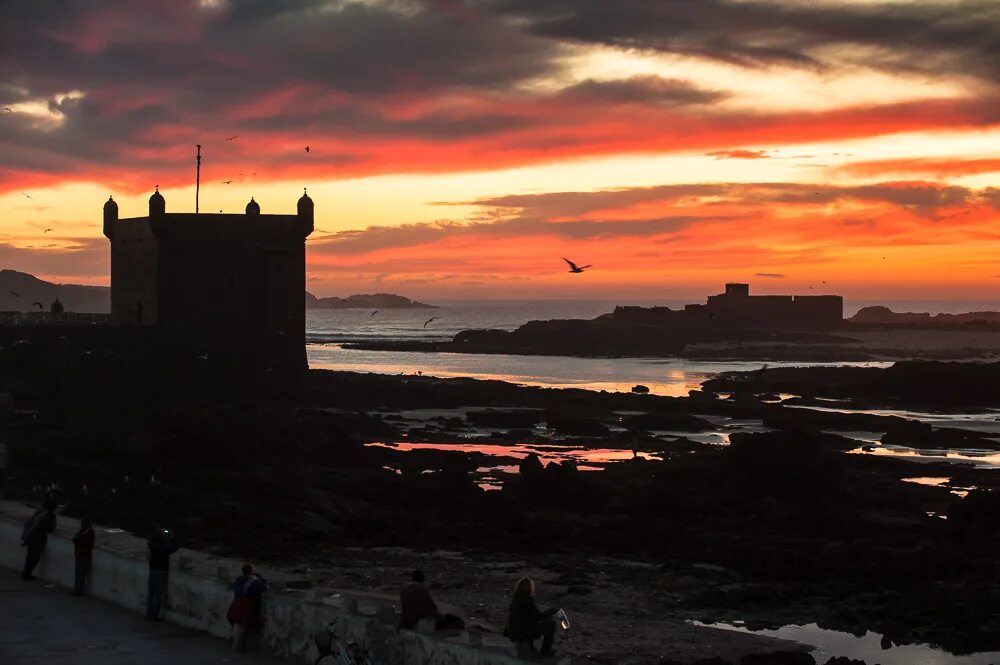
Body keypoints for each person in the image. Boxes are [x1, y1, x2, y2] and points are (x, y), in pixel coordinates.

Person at [503, 577, 558, 657]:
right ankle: (545, 650)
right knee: (551, 624)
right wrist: (552, 611)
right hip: (522, 632)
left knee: (529, 622)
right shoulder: (527, 599)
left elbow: (530, 617)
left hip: (513, 631)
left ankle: (531, 647)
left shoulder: (516, 598)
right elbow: (538, 617)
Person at [399, 569, 465, 631]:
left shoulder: (404, 590)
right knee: (452, 621)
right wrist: (440, 617)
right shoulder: (421, 590)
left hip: (408, 621)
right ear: (422, 580)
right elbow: (427, 609)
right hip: (421, 622)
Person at [227, 563, 268, 652]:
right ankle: (238, 646)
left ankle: (237, 645)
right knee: (244, 626)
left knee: (237, 625)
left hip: (236, 604)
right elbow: (263, 588)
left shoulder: (238, 580)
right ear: (251, 571)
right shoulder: (254, 581)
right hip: (247, 606)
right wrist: (261, 579)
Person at [20, 494, 57, 580]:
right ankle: (27, 573)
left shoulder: (40, 513)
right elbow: (51, 528)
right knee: (35, 557)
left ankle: (26, 572)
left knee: (30, 556)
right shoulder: (48, 516)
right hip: (38, 539)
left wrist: (26, 538)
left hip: (33, 538)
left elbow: (30, 523)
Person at [146, 529, 178, 620]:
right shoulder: (165, 548)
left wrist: (159, 533)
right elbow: (175, 547)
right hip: (162, 572)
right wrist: (171, 537)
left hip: (152, 571)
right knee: (158, 595)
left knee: (151, 594)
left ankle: (148, 614)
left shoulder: (152, 546)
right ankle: (155, 616)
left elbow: (149, 542)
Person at [72, 516, 95, 596]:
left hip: (83, 555)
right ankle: (77, 590)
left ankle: (78, 591)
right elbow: (74, 539)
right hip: (79, 555)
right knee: (78, 573)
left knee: (80, 574)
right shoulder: (82, 531)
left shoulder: (89, 533)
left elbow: (86, 543)